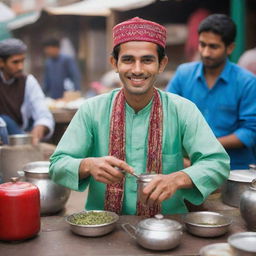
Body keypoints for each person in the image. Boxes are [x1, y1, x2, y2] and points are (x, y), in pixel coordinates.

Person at [50, 17, 229, 216]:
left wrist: (177, 179)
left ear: (162, 64)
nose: (137, 70)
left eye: (147, 60)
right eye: (128, 60)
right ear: (114, 63)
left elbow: (217, 163)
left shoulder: (183, 110)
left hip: (168, 225)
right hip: (102, 230)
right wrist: (87, 165)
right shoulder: (92, 110)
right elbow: (57, 164)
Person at [166, 14, 256, 170]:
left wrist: (205, 146)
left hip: (232, 169)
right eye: (202, 44)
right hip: (188, 166)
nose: (206, 52)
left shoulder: (247, 82)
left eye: (213, 46)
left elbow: (250, 132)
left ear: (230, 48)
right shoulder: (183, 74)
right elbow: (165, 112)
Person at [0, 38, 54, 145]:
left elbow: (43, 113)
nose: (20, 67)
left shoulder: (28, 81)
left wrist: (40, 128)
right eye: (15, 62)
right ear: (1, 62)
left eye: (22, 61)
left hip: (19, 134)